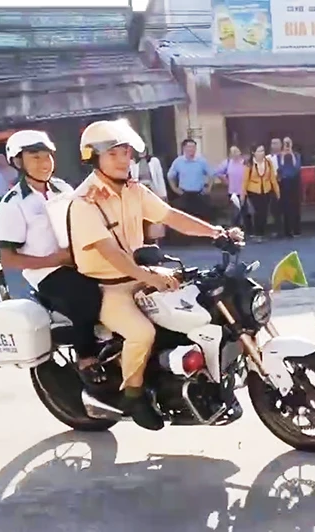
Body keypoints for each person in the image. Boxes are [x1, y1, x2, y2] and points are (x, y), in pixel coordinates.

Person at [70, 119, 243, 431]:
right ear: (94, 158)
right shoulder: (85, 202)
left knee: (196, 303)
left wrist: (216, 233)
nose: (123, 160)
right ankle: (133, 395)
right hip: (110, 286)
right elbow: (110, 253)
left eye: (126, 153)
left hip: (142, 273)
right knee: (141, 333)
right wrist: (149, 277)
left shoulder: (134, 191)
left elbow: (172, 216)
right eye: (114, 154)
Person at [0, 130, 106, 385]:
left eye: (48, 156)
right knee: (86, 295)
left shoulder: (63, 189)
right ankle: (86, 359)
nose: (45, 163)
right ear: (18, 162)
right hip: (47, 273)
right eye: (35, 157)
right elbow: (9, 259)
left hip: (80, 261)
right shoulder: (11, 206)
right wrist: (57, 259)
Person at [241, 144, 280, 243]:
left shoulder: (268, 162)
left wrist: (277, 191)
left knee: (264, 212)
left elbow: (272, 178)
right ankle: (257, 234)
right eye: (259, 151)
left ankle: (262, 233)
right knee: (257, 212)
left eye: (263, 151)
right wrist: (243, 194)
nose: (261, 153)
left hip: (266, 190)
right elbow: (245, 180)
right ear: (254, 153)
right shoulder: (249, 164)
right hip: (253, 191)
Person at [167, 139, 213, 220]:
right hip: (185, 194)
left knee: (202, 219)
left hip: (199, 194)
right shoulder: (178, 161)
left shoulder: (201, 161)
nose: (191, 149)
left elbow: (211, 174)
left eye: (193, 147)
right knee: (186, 219)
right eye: (189, 147)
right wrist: (175, 189)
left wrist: (209, 188)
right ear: (184, 148)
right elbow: (170, 176)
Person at [131, 150, 168, 245]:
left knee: (154, 217)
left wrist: (163, 195)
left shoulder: (154, 161)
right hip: (137, 192)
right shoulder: (132, 162)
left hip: (152, 191)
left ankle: (155, 242)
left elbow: (159, 178)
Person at [213, 145, 249, 229]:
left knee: (246, 212)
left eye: (236, 151)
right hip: (233, 191)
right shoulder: (227, 162)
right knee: (235, 213)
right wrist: (225, 180)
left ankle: (248, 231)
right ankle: (235, 230)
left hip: (245, 191)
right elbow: (217, 172)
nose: (235, 154)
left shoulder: (245, 162)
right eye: (233, 152)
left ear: (240, 152)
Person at [278, 137, 302, 238]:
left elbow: (297, 167)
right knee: (286, 207)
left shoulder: (296, 155)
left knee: (296, 206)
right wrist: (283, 156)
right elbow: (281, 167)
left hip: (294, 181)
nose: (287, 145)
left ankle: (297, 230)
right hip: (284, 181)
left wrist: (291, 154)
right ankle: (287, 231)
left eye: (289, 143)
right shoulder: (280, 156)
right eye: (285, 143)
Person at [267, 137, 283, 237]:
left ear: (281, 145)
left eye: (277, 143)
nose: (275, 145)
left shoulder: (285, 156)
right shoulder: (267, 158)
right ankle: (277, 229)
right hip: (272, 185)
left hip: (284, 184)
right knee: (274, 209)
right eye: (273, 143)